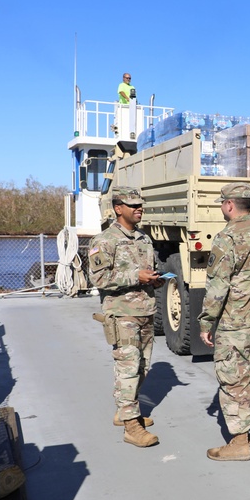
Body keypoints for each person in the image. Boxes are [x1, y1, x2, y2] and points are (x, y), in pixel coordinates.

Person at [200, 182, 250, 461]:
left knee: (233, 379)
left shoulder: (227, 238)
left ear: (229, 205)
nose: (222, 207)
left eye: (222, 203)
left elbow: (218, 288)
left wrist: (206, 322)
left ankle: (239, 443)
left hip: (235, 321)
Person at [88, 186, 162, 447]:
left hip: (145, 311)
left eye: (141, 204)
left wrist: (154, 280)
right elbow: (98, 278)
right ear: (118, 208)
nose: (139, 209)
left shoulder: (143, 239)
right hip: (122, 314)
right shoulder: (104, 241)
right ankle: (131, 425)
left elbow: (145, 271)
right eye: (133, 205)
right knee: (128, 367)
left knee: (143, 366)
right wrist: (135, 277)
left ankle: (125, 410)